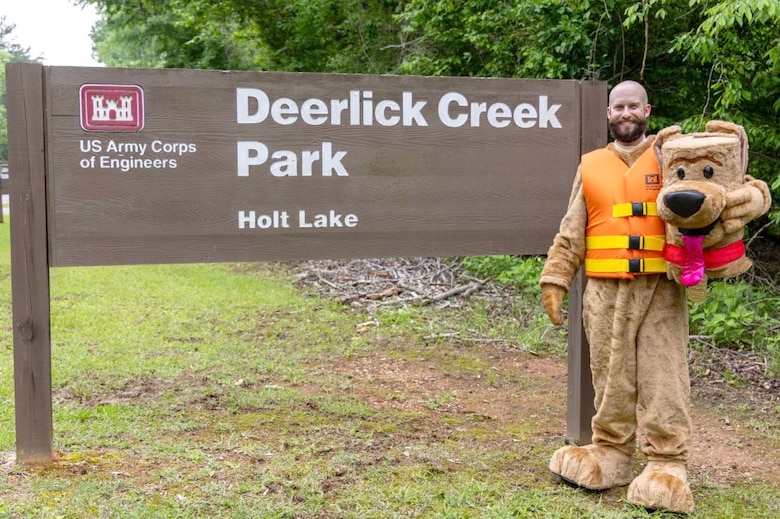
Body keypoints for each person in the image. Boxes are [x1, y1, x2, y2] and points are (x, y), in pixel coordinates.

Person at [539, 80, 769, 514]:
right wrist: (556, 276)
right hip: (603, 292)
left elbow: (727, 179)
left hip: (660, 288)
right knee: (609, 378)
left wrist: (752, 196)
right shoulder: (590, 165)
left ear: (647, 110)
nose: (626, 113)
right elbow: (572, 228)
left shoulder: (671, 155)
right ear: (609, 115)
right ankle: (610, 452)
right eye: (618, 107)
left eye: (634, 106)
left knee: (664, 378)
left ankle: (667, 462)